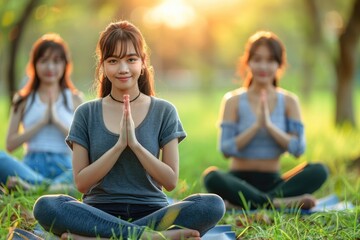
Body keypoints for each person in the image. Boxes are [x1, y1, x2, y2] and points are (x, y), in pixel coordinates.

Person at [33, 20, 225, 240]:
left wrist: (134, 144)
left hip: (153, 211)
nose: (123, 69)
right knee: (47, 206)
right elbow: (81, 183)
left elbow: (170, 181)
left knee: (212, 204)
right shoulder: (86, 113)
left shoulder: (164, 111)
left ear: (143, 63)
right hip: (98, 212)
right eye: (113, 60)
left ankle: (99, 237)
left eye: (131, 59)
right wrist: (118, 146)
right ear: (102, 66)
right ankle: (148, 237)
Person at [202, 31, 329, 211]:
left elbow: (298, 149)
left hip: (275, 183)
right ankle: (277, 204)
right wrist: (256, 126)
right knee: (211, 177)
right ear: (248, 62)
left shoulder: (289, 102)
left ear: (279, 64)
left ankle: (244, 204)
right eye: (257, 59)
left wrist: (269, 126)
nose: (263, 66)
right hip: (238, 182)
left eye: (270, 60)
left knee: (319, 170)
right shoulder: (233, 101)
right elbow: (226, 149)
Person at [0, 33, 83, 192]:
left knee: (96, 166)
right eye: (44, 61)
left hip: (66, 166)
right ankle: (54, 189)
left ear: (65, 65)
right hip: (32, 166)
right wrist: (42, 122)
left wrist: (57, 121)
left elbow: (86, 145)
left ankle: (33, 188)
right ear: (34, 64)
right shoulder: (23, 99)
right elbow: (10, 145)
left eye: (56, 61)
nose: (50, 67)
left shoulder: (75, 99)